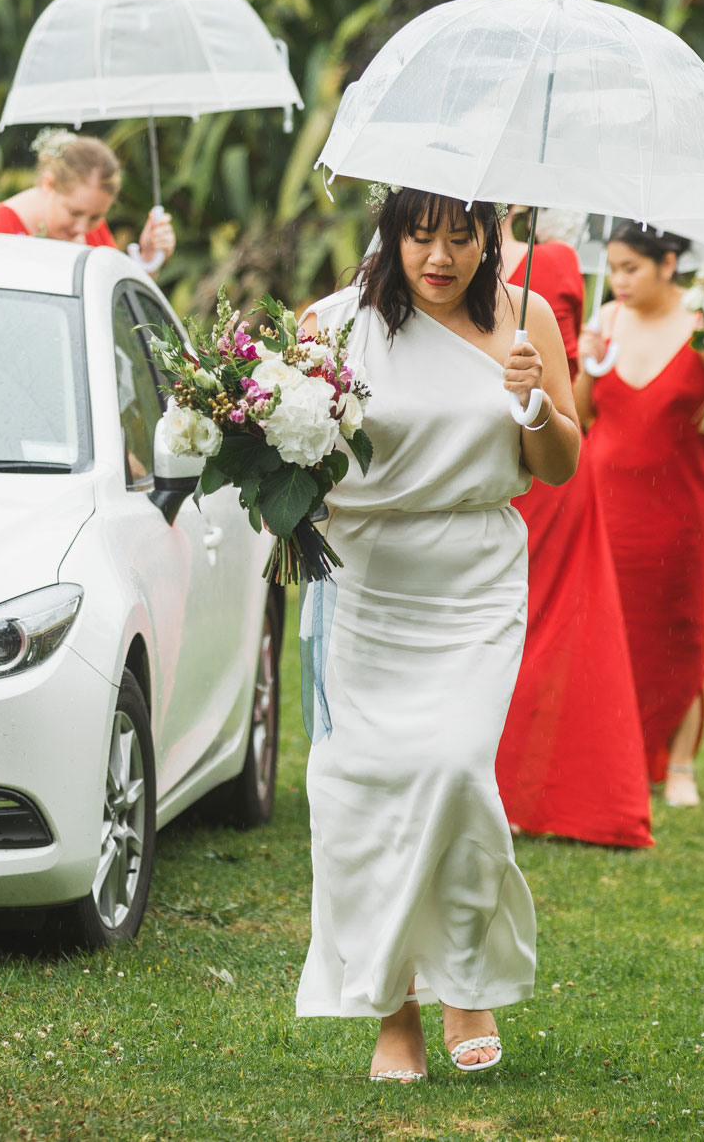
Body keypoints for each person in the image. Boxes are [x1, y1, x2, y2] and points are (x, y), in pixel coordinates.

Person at [296, 188, 580, 1083]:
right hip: (364, 583)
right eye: (422, 236)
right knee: (362, 788)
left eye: (462, 235)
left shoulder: (525, 313)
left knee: (457, 769)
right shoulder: (332, 324)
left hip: (473, 580)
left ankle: (465, 978)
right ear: (392, 234)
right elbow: (294, 451)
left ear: (491, 235)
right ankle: (394, 1010)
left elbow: (562, 464)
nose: (442, 257)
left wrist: (533, 404)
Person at [578, 222, 704, 809]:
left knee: (681, 629)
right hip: (607, 502)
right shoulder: (604, 322)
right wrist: (586, 362)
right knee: (607, 627)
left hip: (679, 504)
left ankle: (680, 764)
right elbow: (578, 415)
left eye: (632, 267)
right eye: (616, 268)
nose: (621, 280)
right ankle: (614, 751)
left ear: (668, 263)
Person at [493, 208, 654, 848]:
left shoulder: (552, 262)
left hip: (545, 474)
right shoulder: (429, 270)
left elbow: (570, 390)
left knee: (548, 624)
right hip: (478, 469)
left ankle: (557, 792)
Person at [0, 127, 175, 272]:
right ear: (48, 184)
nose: (82, 228)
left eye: (96, 216)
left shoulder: (93, 232)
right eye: (74, 213)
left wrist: (149, 260)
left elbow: (117, 312)